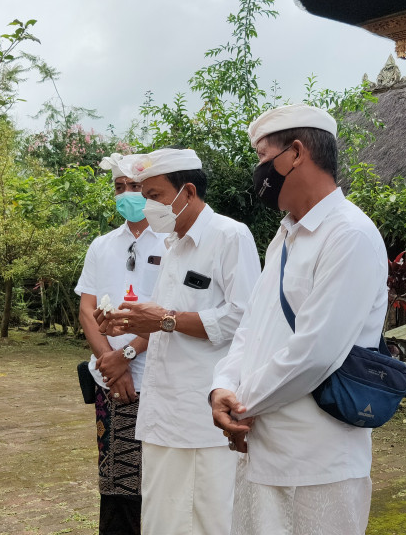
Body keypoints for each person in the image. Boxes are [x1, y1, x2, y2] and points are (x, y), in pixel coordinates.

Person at [208, 104, 388, 535]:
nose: (259, 171)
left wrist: (242, 403)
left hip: (317, 461)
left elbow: (316, 351)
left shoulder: (350, 235)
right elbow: (251, 327)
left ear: (295, 153)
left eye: (261, 156)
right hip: (262, 447)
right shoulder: (284, 237)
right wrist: (222, 387)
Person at [95, 147, 261, 535]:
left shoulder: (229, 236)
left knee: (210, 518)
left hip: (204, 416)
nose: (146, 205)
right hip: (162, 415)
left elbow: (245, 319)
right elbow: (170, 320)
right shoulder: (172, 246)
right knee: (162, 519)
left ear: (187, 191)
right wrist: (131, 323)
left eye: (153, 195)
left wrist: (165, 320)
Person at [74, 153, 167, 535]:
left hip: (161, 377)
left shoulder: (172, 242)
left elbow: (172, 314)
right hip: (113, 382)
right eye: (119, 188)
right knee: (116, 481)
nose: (126, 194)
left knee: (160, 480)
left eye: (134, 187)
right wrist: (111, 362)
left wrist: (128, 354)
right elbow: (86, 308)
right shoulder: (102, 246)